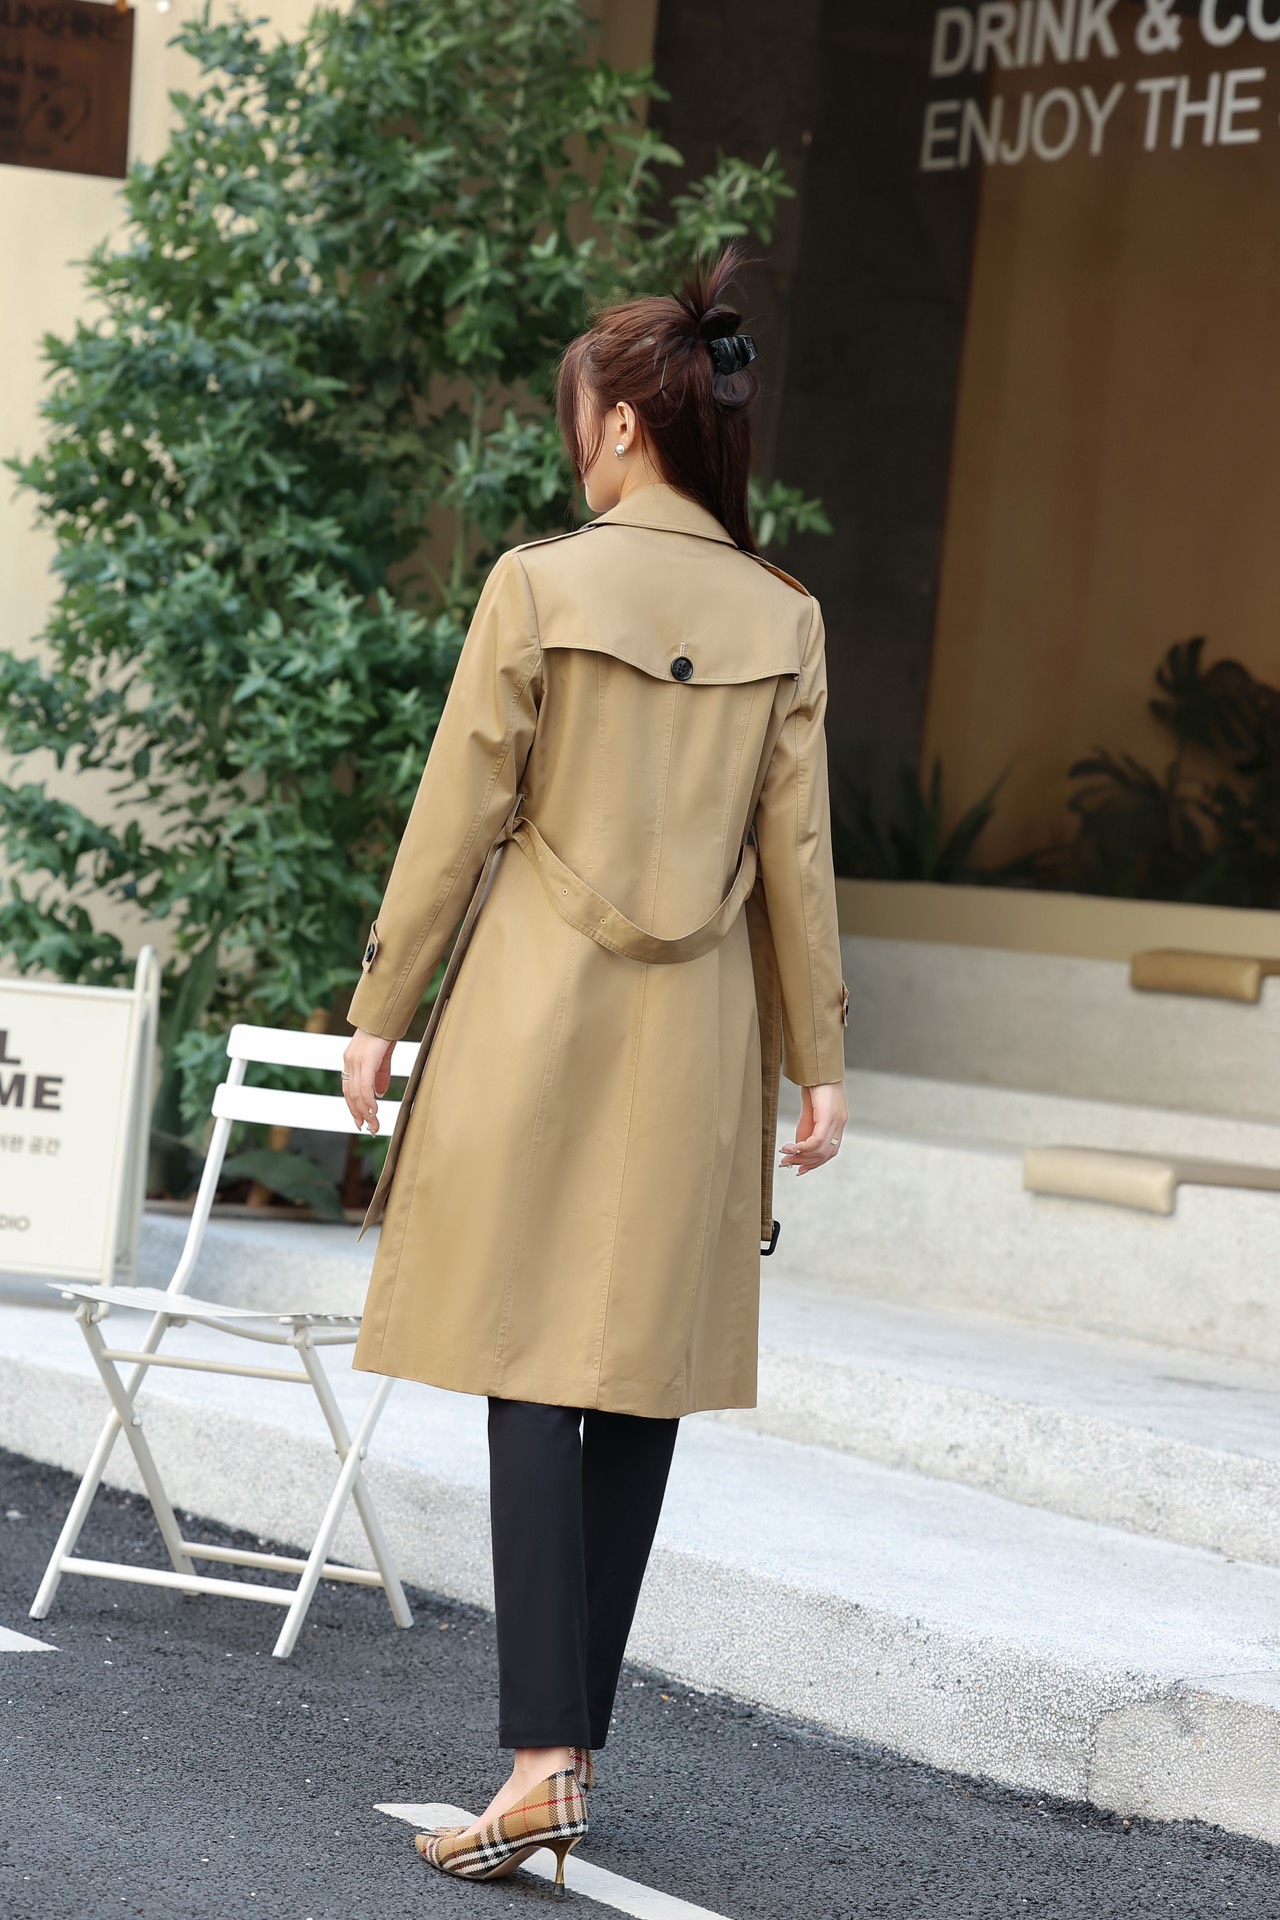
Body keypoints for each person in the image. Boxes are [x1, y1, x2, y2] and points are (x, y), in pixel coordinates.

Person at [340, 245, 849, 1893]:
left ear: (626, 422)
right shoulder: (784, 616)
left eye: (582, 414)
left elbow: (458, 811)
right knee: (637, 1380)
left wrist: (380, 1003)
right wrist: (821, 1058)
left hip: (537, 1014)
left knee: (525, 1357)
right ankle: (565, 1759)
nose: (577, 440)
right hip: (699, 1033)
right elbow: (796, 859)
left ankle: (540, 1763)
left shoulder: (539, 586)